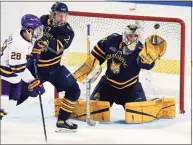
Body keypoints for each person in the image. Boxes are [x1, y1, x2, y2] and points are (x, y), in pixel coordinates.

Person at [72, 23, 175, 123]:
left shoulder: (141, 50)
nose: (132, 38)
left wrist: (152, 58)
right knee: (93, 110)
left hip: (130, 88)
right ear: (125, 35)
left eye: (135, 36)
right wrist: (90, 69)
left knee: (141, 113)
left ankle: (157, 104)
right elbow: (96, 55)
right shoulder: (111, 40)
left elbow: (147, 66)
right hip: (108, 85)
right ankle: (69, 104)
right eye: (130, 36)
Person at [17, 2, 80, 132]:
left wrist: (45, 42)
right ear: (52, 14)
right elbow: (30, 36)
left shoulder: (68, 31)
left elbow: (57, 48)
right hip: (35, 66)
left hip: (54, 68)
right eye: (59, 15)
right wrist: (33, 46)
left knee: (74, 90)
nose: (62, 19)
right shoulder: (42, 20)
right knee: (22, 93)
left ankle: (62, 120)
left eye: (64, 16)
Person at [0, 14, 45, 120]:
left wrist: (35, 48)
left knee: (10, 105)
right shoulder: (18, 45)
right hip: (5, 76)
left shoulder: (24, 33)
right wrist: (32, 81)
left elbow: (28, 46)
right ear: (29, 29)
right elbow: (18, 68)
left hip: (13, 76)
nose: (38, 32)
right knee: (3, 106)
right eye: (36, 29)